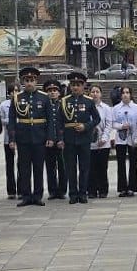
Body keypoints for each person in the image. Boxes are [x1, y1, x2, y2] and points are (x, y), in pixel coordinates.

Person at [8, 67, 56, 207]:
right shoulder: (17, 98)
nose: (29, 83)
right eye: (27, 80)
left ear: (36, 81)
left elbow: (50, 120)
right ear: (23, 82)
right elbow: (12, 120)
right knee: (24, 168)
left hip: (39, 137)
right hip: (23, 138)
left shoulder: (44, 97)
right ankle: (26, 195)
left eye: (32, 80)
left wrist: (50, 137)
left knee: (38, 168)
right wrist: (12, 139)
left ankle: (38, 195)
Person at [57, 72, 100, 204]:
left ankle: (83, 193)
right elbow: (59, 122)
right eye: (73, 85)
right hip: (69, 139)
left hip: (84, 139)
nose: (76, 88)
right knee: (70, 168)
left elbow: (97, 119)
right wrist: (60, 138)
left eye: (78, 85)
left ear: (83, 86)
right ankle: (73, 194)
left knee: (84, 167)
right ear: (70, 86)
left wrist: (86, 126)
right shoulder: (64, 101)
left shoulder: (89, 101)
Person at [113, 86, 137, 198]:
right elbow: (113, 123)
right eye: (123, 93)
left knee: (133, 164)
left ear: (130, 94)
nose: (125, 95)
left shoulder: (136, 108)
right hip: (120, 139)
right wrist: (121, 126)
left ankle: (132, 187)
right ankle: (122, 188)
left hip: (133, 138)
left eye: (127, 92)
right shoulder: (116, 108)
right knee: (121, 164)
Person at [42, 79, 67, 200]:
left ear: (59, 92)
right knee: (50, 166)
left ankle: (62, 190)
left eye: (55, 90)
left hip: (61, 140)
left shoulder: (63, 104)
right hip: (48, 140)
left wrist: (62, 139)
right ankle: (52, 190)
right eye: (50, 91)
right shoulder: (44, 105)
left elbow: (65, 123)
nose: (52, 93)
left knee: (62, 166)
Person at [88, 85, 114, 198]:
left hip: (104, 143)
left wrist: (104, 138)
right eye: (92, 92)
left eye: (97, 92)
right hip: (90, 143)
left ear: (101, 94)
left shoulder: (106, 108)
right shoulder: (87, 107)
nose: (95, 94)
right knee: (91, 168)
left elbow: (109, 125)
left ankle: (103, 190)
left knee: (102, 168)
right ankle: (92, 191)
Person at [0, 84, 18, 199]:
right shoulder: (4, 105)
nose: (14, 93)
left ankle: (22, 189)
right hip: (8, 138)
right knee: (9, 165)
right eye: (12, 91)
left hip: (21, 138)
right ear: (9, 93)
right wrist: (12, 120)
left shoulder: (23, 103)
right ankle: (11, 191)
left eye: (16, 91)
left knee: (22, 165)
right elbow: (1, 119)